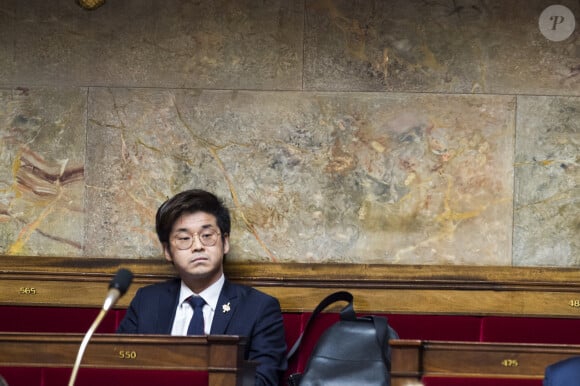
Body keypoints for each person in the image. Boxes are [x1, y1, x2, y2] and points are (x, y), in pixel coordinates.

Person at [117, 189, 287, 386]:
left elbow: (263, 382)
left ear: (225, 243)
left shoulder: (259, 308)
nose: (197, 246)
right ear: (167, 251)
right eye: (184, 238)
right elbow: (119, 367)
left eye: (207, 235)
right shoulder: (147, 301)